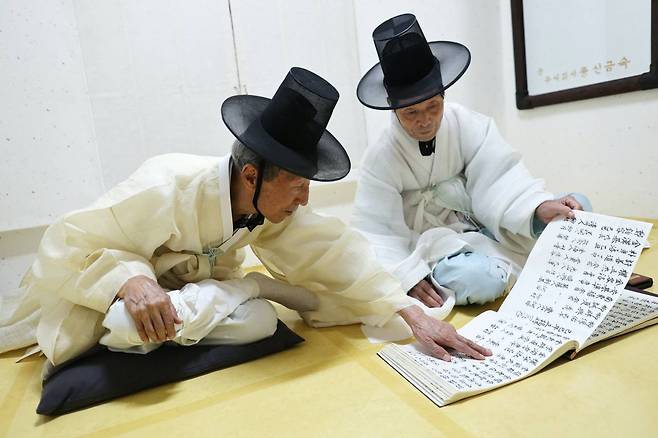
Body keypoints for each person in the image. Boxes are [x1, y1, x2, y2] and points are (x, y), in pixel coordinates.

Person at [0, 67, 490, 366]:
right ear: (253, 176)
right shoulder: (167, 185)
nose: (302, 200)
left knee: (260, 320)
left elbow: (334, 255)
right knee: (114, 324)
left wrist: (410, 313)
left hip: (184, 303)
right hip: (108, 297)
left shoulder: (269, 208)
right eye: (297, 186)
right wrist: (129, 279)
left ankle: (176, 325)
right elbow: (70, 241)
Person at [351, 14, 591, 309]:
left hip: (482, 220)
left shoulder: (466, 123)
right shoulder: (380, 157)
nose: (425, 121)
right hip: (431, 244)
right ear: (393, 107)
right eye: (411, 113)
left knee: (576, 207)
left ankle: (530, 254)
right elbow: (377, 231)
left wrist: (535, 208)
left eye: (433, 106)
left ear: (442, 94)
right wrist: (407, 275)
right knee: (477, 279)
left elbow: (500, 177)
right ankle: (518, 267)